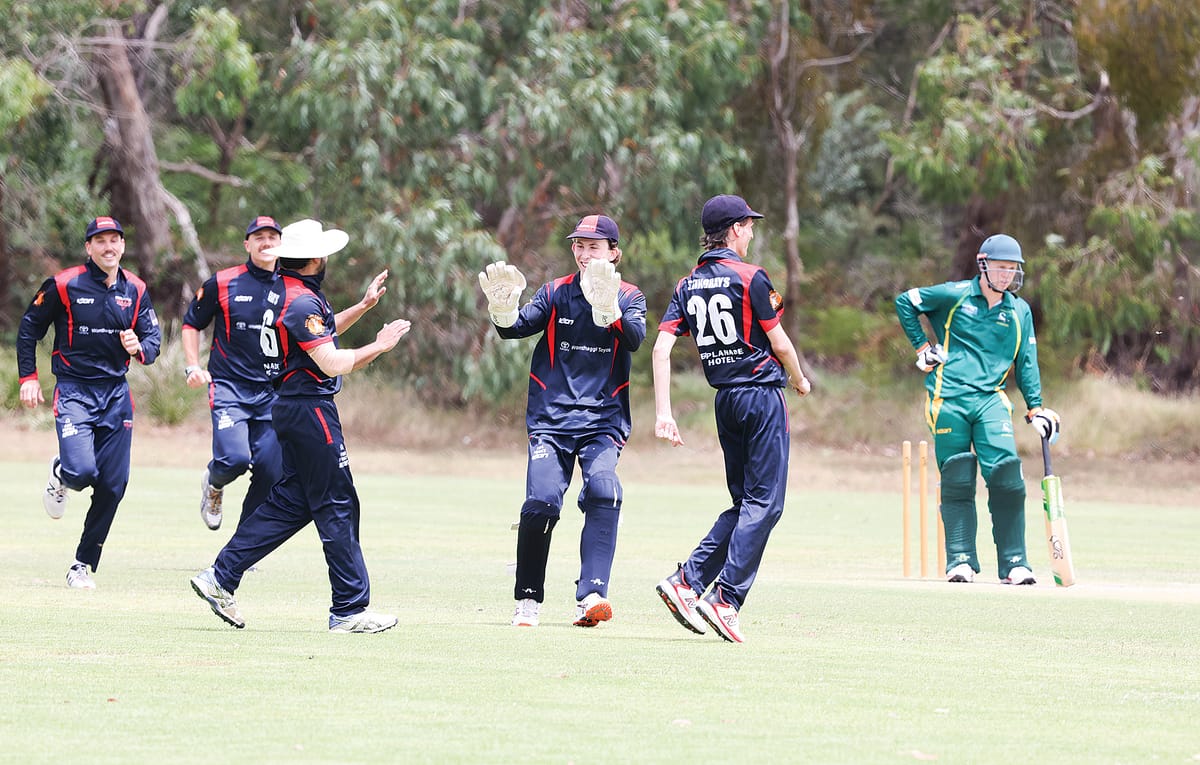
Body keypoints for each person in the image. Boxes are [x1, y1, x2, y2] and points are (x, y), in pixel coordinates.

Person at [189, 218, 409, 633]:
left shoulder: (284, 293)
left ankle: (220, 577)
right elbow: (331, 360)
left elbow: (316, 337)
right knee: (338, 502)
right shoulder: (302, 302)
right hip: (309, 411)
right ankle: (348, 609)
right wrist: (380, 345)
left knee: (293, 502)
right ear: (315, 259)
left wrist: (361, 308)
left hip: (289, 408)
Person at [651, 195, 810, 643]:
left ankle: (687, 583)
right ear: (736, 229)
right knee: (767, 504)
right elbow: (779, 344)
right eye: (749, 225)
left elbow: (661, 349)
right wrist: (798, 380)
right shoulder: (751, 277)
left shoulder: (687, 284)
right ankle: (726, 600)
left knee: (746, 505)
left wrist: (664, 412)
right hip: (761, 397)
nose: (753, 232)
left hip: (725, 402)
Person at [477, 214, 647, 628]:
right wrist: (502, 309)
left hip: (603, 422)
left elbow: (636, 339)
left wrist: (608, 310)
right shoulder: (555, 292)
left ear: (613, 252)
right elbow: (515, 328)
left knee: (605, 492)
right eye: (579, 245)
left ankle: (591, 595)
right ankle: (528, 600)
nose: (585, 253)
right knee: (540, 504)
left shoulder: (629, 295)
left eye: (594, 246)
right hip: (551, 421)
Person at [182, 216, 389, 533]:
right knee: (234, 459)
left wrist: (363, 306)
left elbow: (322, 332)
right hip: (230, 386)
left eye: (272, 237)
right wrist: (192, 365)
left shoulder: (293, 288)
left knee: (269, 469)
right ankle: (214, 482)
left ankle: (242, 545)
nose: (266, 242)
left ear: (284, 246)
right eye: (258, 237)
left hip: (274, 392)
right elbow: (191, 323)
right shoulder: (223, 282)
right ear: (247, 243)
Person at [894, 233, 1061, 585]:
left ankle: (1015, 562)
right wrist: (922, 347)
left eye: (1012, 269)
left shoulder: (1018, 310)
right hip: (948, 398)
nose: (1007, 275)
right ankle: (960, 561)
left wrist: (1036, 408)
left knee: (1006, 476)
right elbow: (905, 302)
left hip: (991, 399)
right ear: (983, 265)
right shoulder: (954, 295)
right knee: (956, 477)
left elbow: (1026, 361)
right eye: (1000, 268)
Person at [16, 215, 162, 589]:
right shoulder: (65, 284)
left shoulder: (137, 289)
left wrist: (139, 349)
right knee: (81, 473)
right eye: (100, 241)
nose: (108, 247)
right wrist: (29, 377)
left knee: (114, 486)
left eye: (115, 240)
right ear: (88, 248)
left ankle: (82, 565)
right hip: (75, 391)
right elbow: (29, 327)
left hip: (116, 394)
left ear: (123, 246)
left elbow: (152, 341)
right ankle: (62, 472)